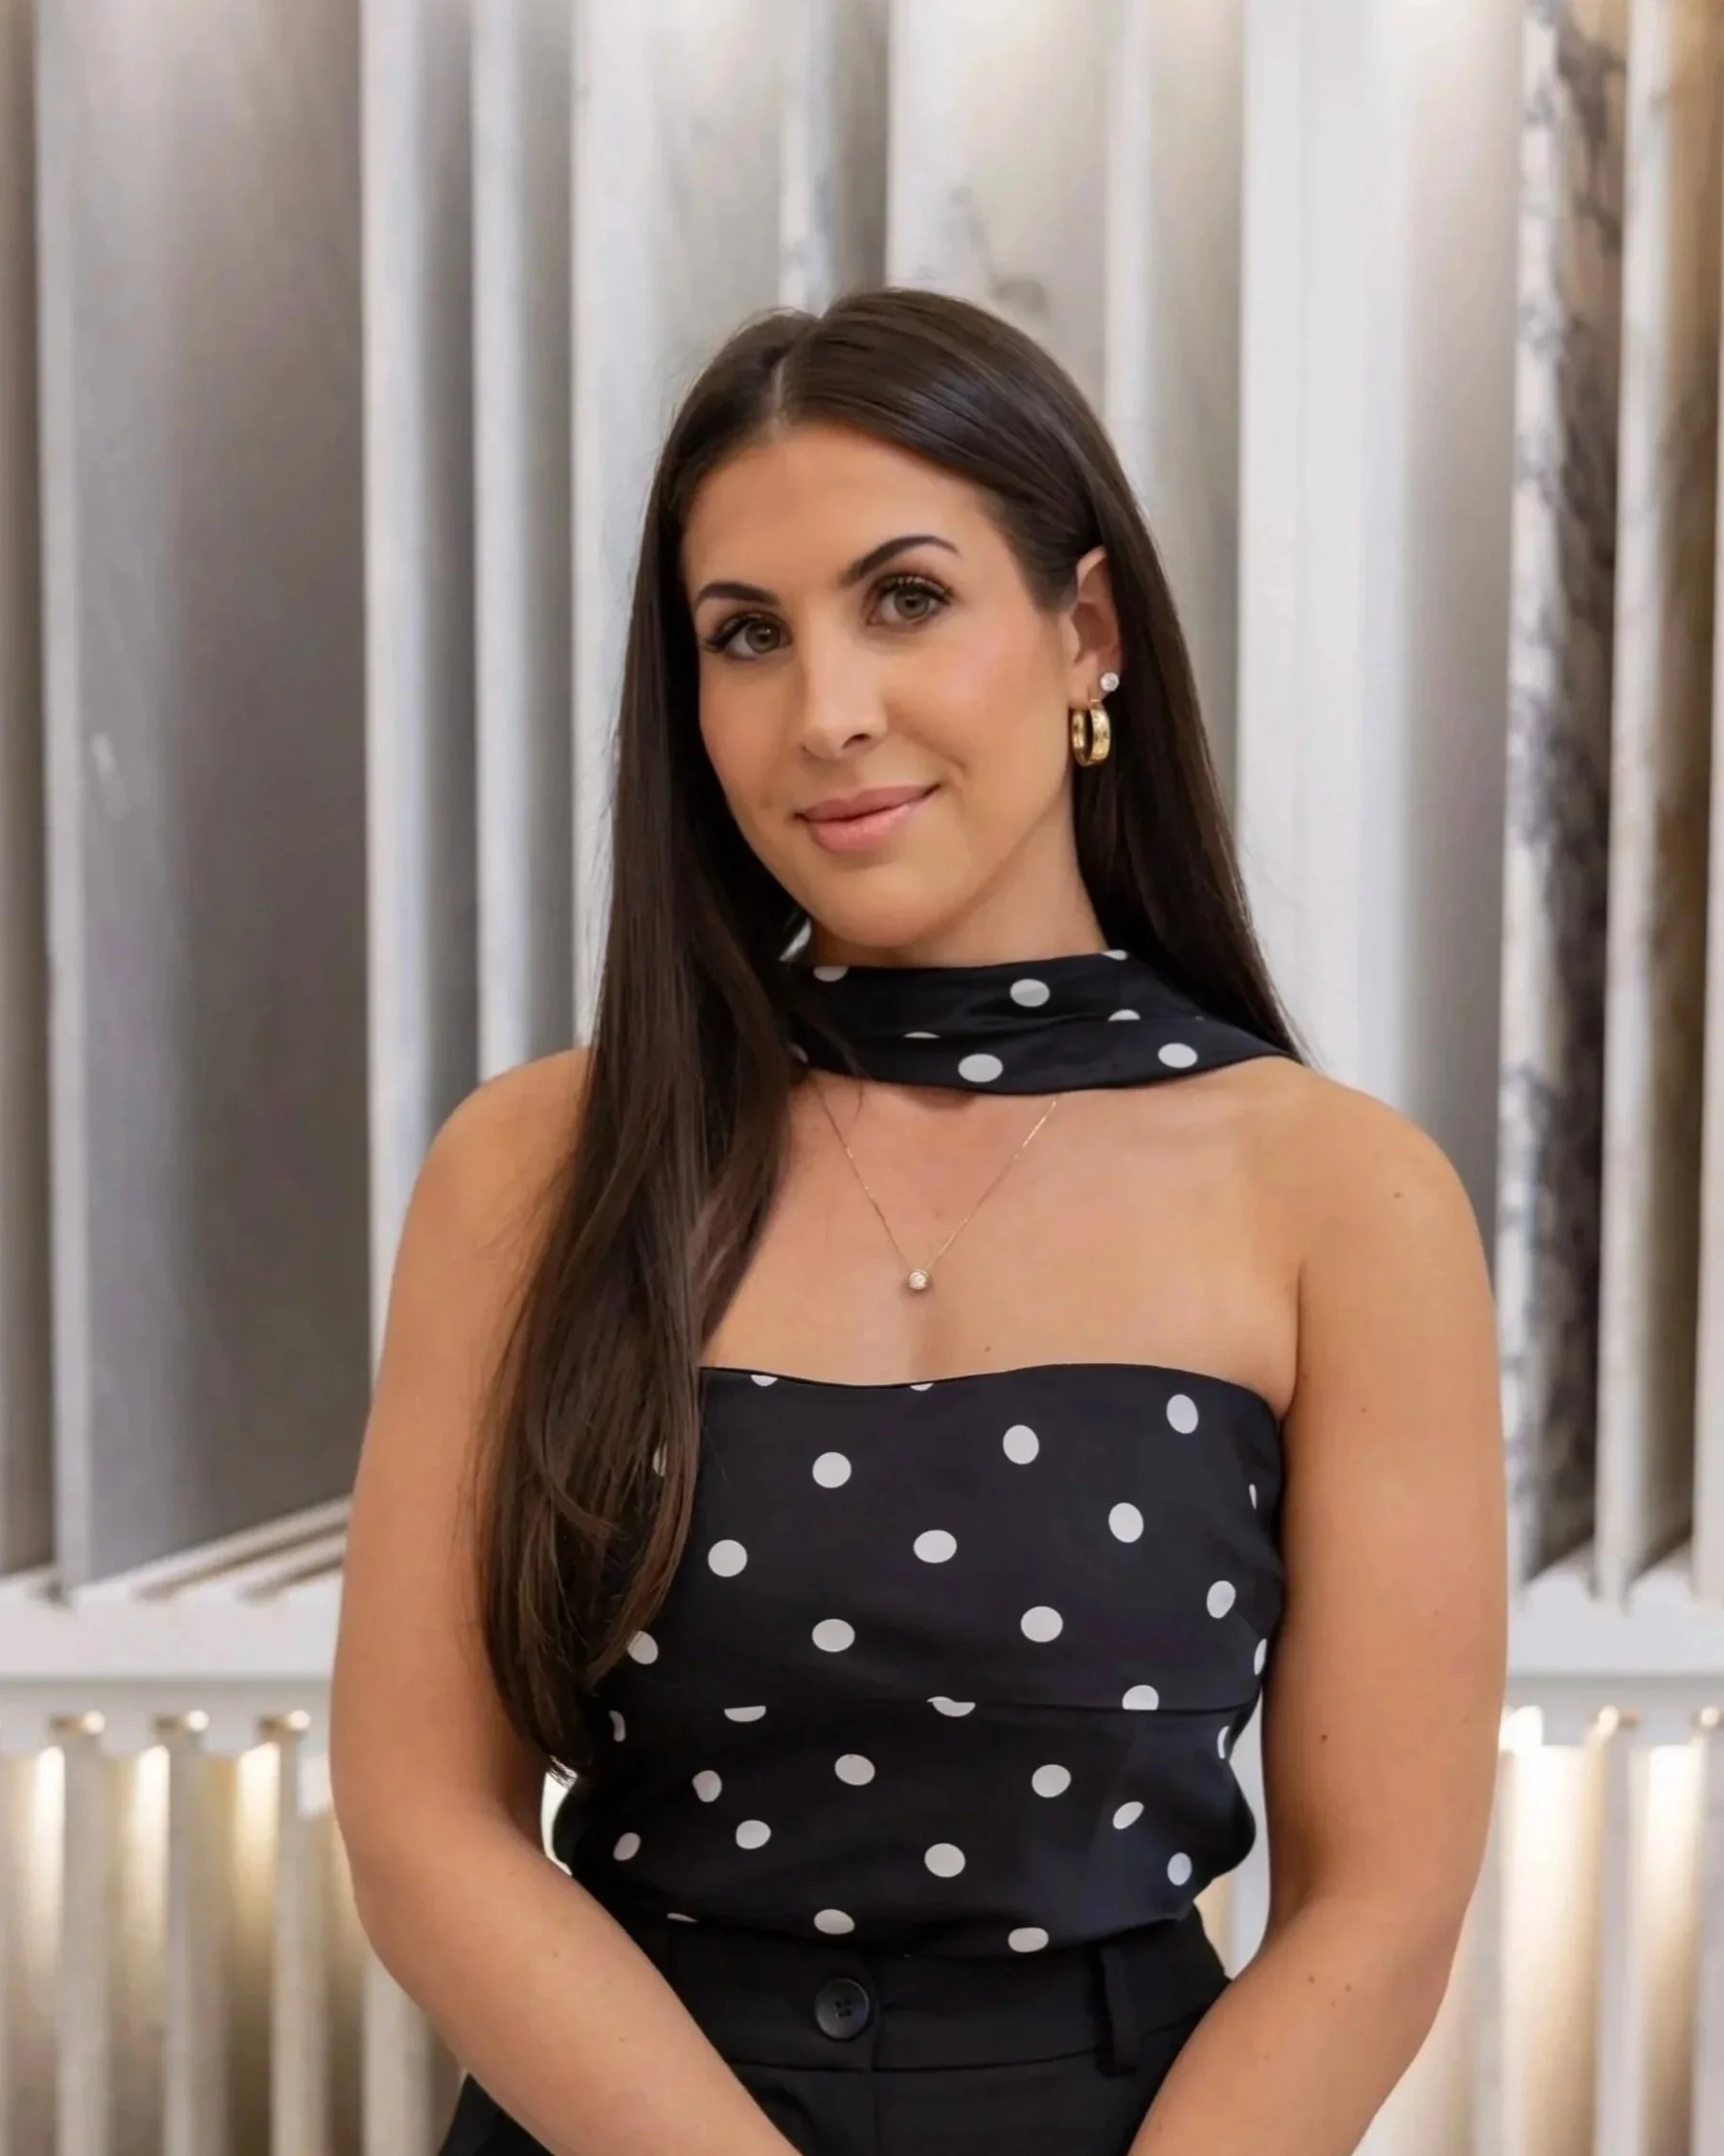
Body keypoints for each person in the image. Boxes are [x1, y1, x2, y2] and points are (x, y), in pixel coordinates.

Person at [329, 285, 1508, 2156]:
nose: (830, 713)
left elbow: (1378, 1911)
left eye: (906, 598)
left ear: (1084, 633)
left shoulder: (1341, 1196)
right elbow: (423, 1825)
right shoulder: (537, 1166)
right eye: (745, 636)